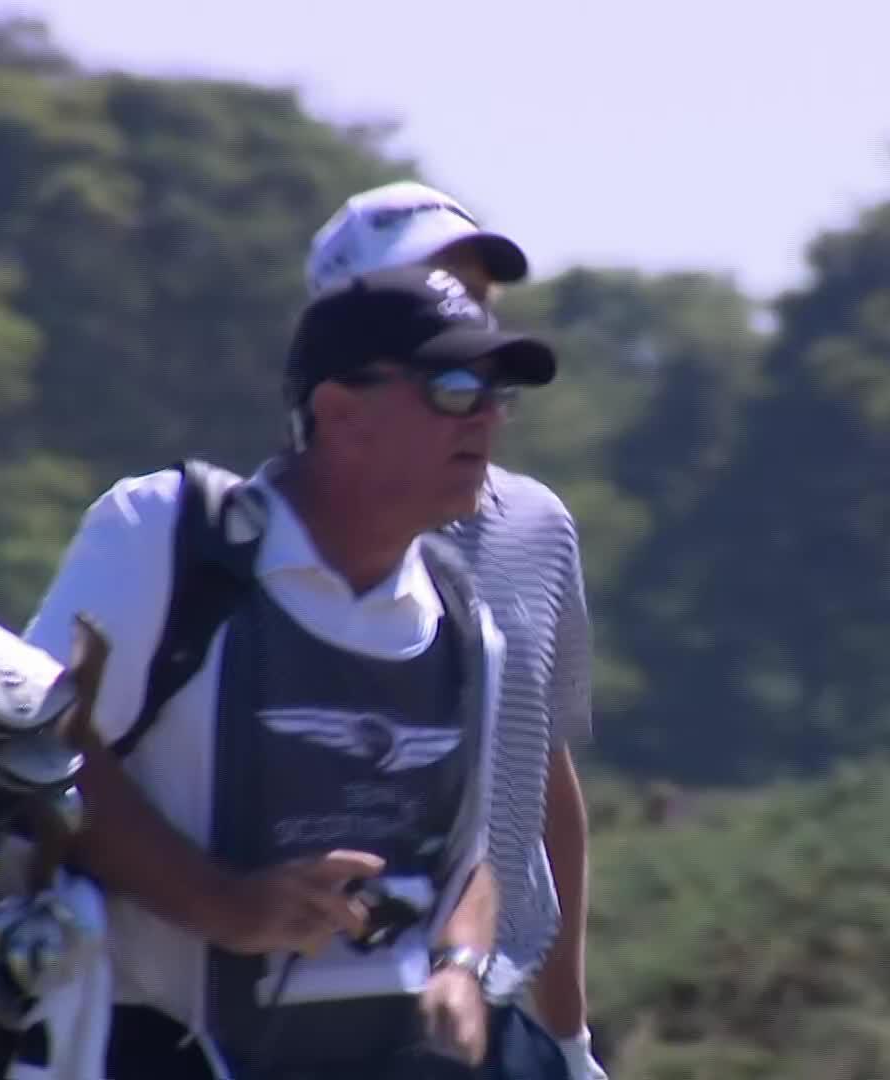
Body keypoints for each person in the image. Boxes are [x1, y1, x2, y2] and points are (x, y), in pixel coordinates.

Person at [20, 265, 569, 1079]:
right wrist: (224, 906)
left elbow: (472, 861)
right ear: (343, 414)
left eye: (500, 394)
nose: (488, 416)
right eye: (455, 388)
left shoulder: (463, 621)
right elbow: (31, 753)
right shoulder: (169, 537)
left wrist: (459, 969)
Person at [307, 181, 607, 1080]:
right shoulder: (256, 535)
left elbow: (544, 783)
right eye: (431, 293)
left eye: (476, 299)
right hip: (324, 1017)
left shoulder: (537, 525)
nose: (462, 320)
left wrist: (569, 1039)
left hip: (503, 1017)